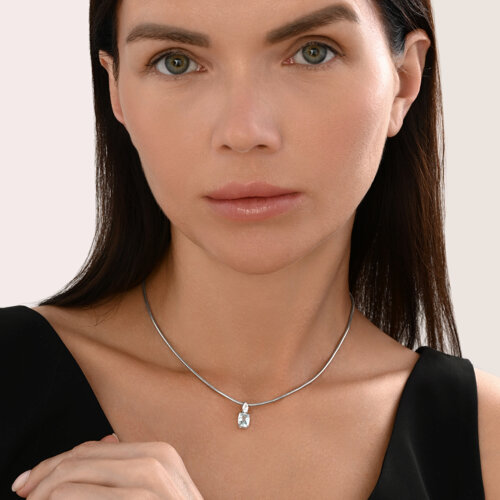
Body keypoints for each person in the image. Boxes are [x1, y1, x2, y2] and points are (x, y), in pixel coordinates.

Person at [1, 0, 499, 498]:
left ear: (404, 80)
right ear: (117, 91)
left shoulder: (488, 441)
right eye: (176, 61)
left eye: (313, 52)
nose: (243, 133)